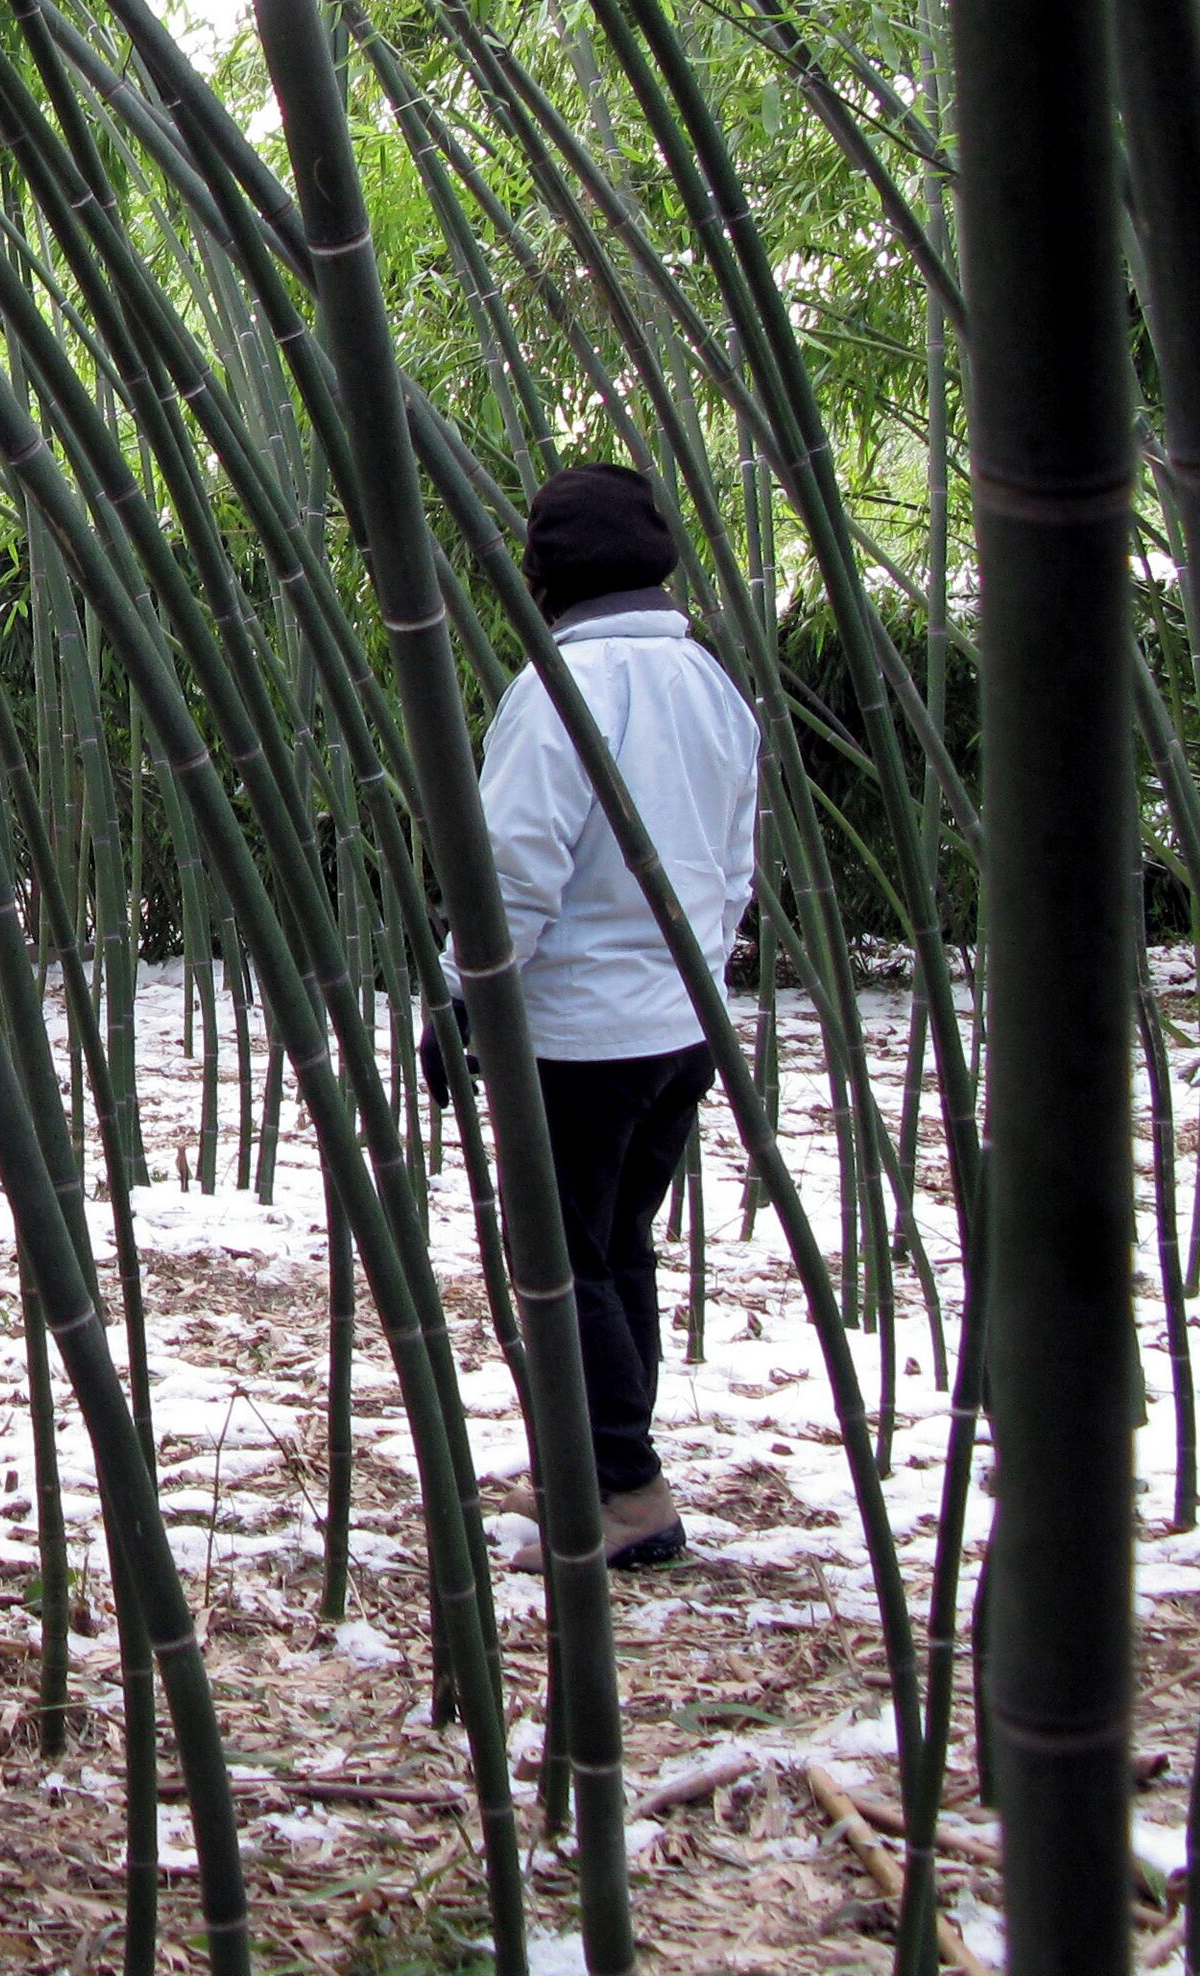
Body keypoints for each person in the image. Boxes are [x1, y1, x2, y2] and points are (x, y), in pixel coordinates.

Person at [459, 462, 761, 1571]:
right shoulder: (711, 683)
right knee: (614, 1246)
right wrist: (693, 983)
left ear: (540, 575)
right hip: (680, 1027)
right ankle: (598, 1463)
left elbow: (513, 873)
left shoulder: (559, 689)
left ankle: (628, 1492)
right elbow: (735, 866)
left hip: (576, 1032)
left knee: (564, 1261)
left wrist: (462, 996)